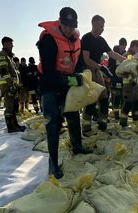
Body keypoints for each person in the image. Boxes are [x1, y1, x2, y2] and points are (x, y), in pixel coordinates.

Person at [37, 7, 92, 179]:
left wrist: (82, 74)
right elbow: (47, 70)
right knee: (53, 123)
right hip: (50, 85)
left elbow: (80, 63)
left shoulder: (76, 39)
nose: (69, 29)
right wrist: (68, 80)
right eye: (66, 25)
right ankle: (53, 163)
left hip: (68, 84)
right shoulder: (49, 40)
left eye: (72, 26)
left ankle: (77, 145)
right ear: (60, 22)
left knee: (73, 116)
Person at [81, 15, 125, 136]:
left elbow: (112, 54)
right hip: (88, 71)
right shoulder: (86, 38)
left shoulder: (101, 40)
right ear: (93, 24)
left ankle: (102, 125)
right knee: (91, 100)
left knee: (104, 98)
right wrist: (101, 67)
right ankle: (86, 128)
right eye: (101, 26)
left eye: (103, 26)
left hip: (97, 70)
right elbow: (86, 59)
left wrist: (125, 60)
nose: (103, 28)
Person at [0, 37, 26, 132]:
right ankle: (11, 127)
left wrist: (16, 85)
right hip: (7, 85)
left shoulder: (9, 56)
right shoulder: (2, 55)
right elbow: (4, 71)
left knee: (13, 105)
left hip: (12, 85)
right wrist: (10, 85)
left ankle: (15, 125)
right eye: (10, 43)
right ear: (5, 44)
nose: (12, 45)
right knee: (9, 106)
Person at [119, 39, 138, 128]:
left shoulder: (134, 55)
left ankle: (136, 119)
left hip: (134, 84)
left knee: (135, 102)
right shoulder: (128, 55)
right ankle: (123, 123)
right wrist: (131, 79)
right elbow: (125, 70)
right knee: (127, 103)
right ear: (134, 46)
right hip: (129, 84)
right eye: (137, 48)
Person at [108, 37, 127, 119]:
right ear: (120, 45)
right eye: (123, 45)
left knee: (123, 97)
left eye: (125, 46)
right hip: (115, 78)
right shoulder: (113, 54)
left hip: (123, 79)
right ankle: (116, 115)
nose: (124, 47)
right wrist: (111, 77)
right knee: (116, 97)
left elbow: (129, 62)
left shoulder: (127, 54)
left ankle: (122, 114)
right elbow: (110, 66)